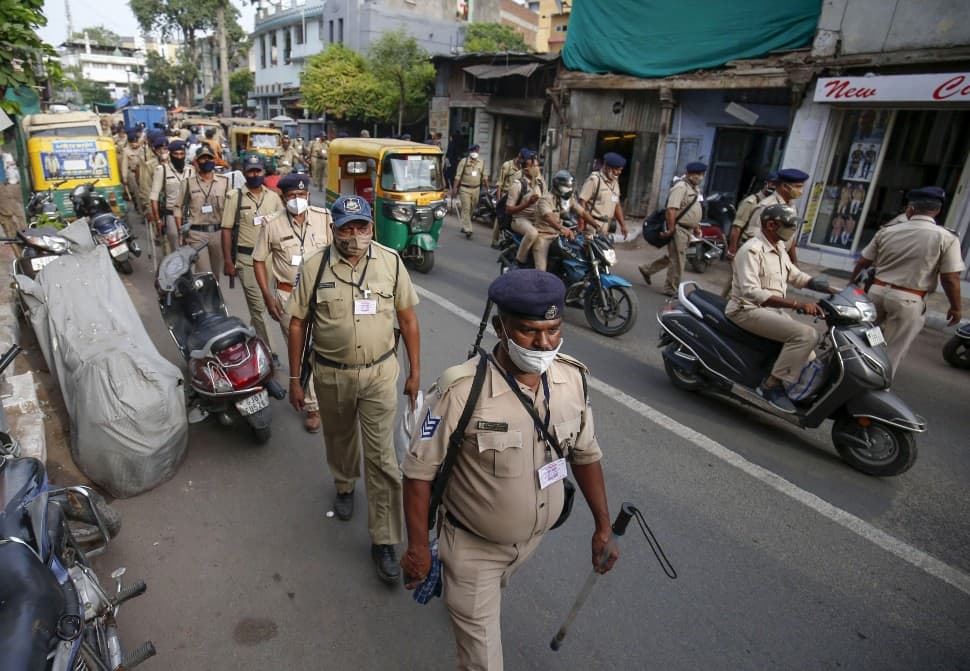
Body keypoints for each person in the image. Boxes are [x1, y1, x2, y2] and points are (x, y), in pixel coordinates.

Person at [400, 269, 618, 671]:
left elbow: (585, 454)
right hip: (472, 551)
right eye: (529, 331)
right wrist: (417, 549)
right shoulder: (461, 391)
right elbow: (418, 474)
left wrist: (602, 525)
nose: (544, 343)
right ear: (500, 328)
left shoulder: (572, 381)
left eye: (553, 330)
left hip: (528, 546)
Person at [285, 195, 421, 584]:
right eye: (347, 228)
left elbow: (408, 321)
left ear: (371, 228)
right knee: (340, 437)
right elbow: (298, 324)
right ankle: (344, 483)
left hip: (380, 375)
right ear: (334, 229)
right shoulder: (314, 267)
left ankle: (384, 539)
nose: (355, 236)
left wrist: (414, 372)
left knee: (383, 459)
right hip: (331, 375)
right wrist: (296, 379)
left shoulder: (391, 263)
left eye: (362, 227)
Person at [851, 187, 964, 373]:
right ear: (937, 210)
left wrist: (852, 282)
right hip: (908, 300)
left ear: (910, 209)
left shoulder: (888, 231)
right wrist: (956, 307)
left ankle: (857, 368)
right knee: (893, 349)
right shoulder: (946, 237)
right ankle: (878, 383)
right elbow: (950, 277)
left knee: (865, 335)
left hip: (876, 293)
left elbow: (863, 261)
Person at [727, 204, 825, 413]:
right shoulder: (751, 250)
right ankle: (770, 386)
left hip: (771, 311)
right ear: (771, 225)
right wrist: (797, 305)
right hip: (746, 310)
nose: (793, 230)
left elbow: (795, 275)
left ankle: (794, 391)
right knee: (806, 335)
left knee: (810, 357)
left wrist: (822, 286)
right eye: (789, 226)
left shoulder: (779, 248)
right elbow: (752, 293)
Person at [252, 174, 331, 432]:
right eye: (291, 196)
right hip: (289, 296)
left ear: (308, 195)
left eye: (301, 195)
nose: (297, 200)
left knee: (326, 346)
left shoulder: (323, 218)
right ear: (282, 198)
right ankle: (312, 406)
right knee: (302, 349)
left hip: (323, 294)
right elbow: (258, 260)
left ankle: (326, 392)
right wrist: (267, 296)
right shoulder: (272, 224)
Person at [221, 155, 285, 359]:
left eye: (258, 171)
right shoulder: (235, 197)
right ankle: (271, 352)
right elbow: (226, 230)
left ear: (263, 172)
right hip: (246, 259)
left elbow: (282, 226)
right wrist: (228, 261)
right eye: (251, 171)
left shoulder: (273, 197)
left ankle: (252, 337)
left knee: (258, 307)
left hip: (269, 260)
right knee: (259, 305)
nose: (255, 175)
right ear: (245, 172)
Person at [638, 162, 706, 296]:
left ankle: (647, 269)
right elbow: (671, 209)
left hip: (688, 229)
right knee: (678, 260)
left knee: (674, 256)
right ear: (689, 174)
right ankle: (670, 288)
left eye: (701, 174)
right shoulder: (680, 187)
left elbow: (693, 209)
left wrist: (696, 226)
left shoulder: (695, 189)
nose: (700, 177)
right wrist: (671, 228)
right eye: (697, 174)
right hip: (679, 229)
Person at [732, 168, 809, 264]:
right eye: (798, 187)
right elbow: (753, 236)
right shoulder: (767, 206)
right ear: (785, 186)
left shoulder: (791, 206)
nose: (801, 191)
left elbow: (790, 237)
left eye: (801, 187)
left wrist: (793, 261)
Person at [173, 146, 228, 279]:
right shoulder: (188, 183)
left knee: (215, 272)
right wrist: (181, 232)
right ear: (196, 162)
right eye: (202, 159)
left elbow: (230, 209)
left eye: (209, 158)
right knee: (203, 271)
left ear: (214, 160)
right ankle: (203, 297)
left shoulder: (224, 182)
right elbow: (178, 207)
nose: (206, 161)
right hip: (197, 234)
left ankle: (213, 297)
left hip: (218, 233)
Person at [721, 172, 778, 296]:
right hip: (746, 246)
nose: (774, 187)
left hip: (761, 249)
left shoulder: (774, 204)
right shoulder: (751, 202)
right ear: (766, 183)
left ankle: (724, 301)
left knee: (740, 279)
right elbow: (737, 228)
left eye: (777, 184)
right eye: (772, 183)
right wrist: (732, 249)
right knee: (741, 279)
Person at [530, 169, 596, 271]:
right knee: (541, 271)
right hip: (544, 236)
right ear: (557, 186)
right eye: (566, 186)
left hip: (559, 236)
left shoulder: (567, 199)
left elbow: (582, 212)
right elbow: (549, 217)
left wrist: (596, 225)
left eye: (570, 186)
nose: (569, 189)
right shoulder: (545, 200)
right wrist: (562, 229)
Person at [150, 140, 195, 254]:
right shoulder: (162, 170)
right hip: (171, 214)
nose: (179, 157)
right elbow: (154, 196)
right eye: (176, 154)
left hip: (189, 215)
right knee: (176, 247)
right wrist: (158, 220)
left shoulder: (190, 170)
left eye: (181, 154)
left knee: (191, 248)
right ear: (171, 154)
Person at [577, 152, 629, 238]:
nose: (619, 172)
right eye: (617, 170)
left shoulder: (615, 182)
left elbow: (616, 204)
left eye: (621, 170)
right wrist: (581, 224)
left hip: (606, 227)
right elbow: (582, 202)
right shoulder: (594, 180)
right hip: (592, 226)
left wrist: (623, 225)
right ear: (608, 168)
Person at [507, 154, 546, 268]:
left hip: (538, 219)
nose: (537, 168)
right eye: (534, 166)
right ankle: (519, 261)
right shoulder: (518, 185)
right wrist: (527, 204)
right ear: (525, 169)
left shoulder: (541, 183)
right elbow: (509, 210)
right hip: (520, 219)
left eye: (538, 165)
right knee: (532, 233)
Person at [493, 147, 529, 248]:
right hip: (506, 194)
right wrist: (499, 198)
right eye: (523, 159)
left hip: (517, 196)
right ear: (519, 157)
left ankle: (507, 240)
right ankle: (494, 240)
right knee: (500, 217)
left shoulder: (523, 169)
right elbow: (500, 183)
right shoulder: (507, 165)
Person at [451, 144, 489, 239]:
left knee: (472, 208)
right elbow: (458, 176)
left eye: (476, 151)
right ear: (470, 152)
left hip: (476, 189)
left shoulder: (482, 162)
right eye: (473, 151)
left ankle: (465, 224)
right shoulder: (464, 162)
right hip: (465, 189)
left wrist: (488, 188)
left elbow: (484, 177)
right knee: (466, 208)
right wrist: (455, 188)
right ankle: (468, 229)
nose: (475, 153)